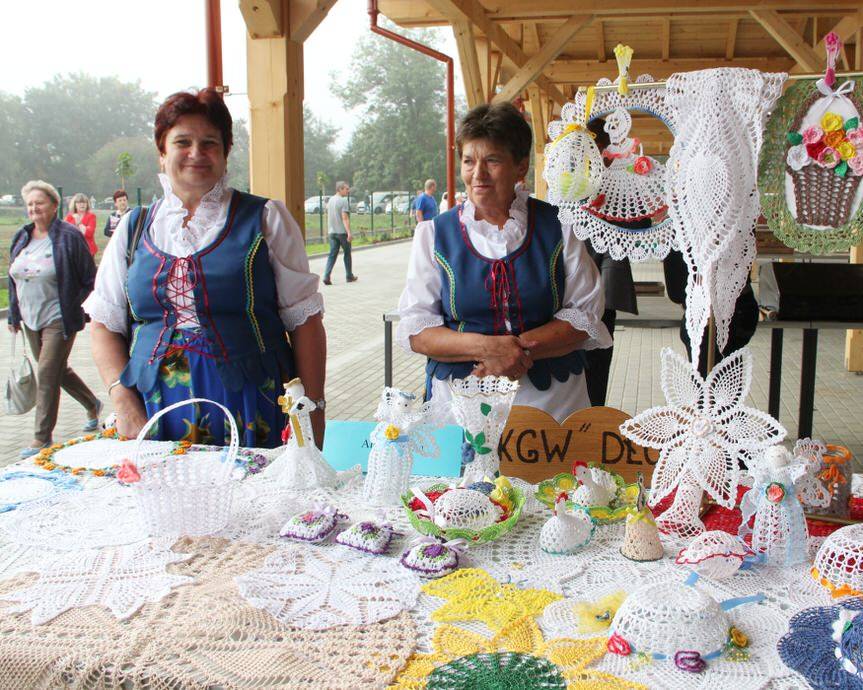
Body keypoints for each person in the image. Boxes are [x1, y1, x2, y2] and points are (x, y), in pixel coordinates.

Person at [84, 88, 327, 448]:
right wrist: (122, 400)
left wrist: (313, 408)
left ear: (226, 154)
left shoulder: (265, 219)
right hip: (154, 407)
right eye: (183, 141)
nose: (197, 153)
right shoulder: (133, 228)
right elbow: (105, 325)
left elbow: (305, 323)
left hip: (253, 402)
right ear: (162, 153)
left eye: (210, 143)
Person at [397, 102, 610, 421]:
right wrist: (486, 348)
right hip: (459, 407)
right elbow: (416, 328)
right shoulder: (434, 234)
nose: (477, 174)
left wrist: (516, 350)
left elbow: (586, 313)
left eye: (492, 160)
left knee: (555, 474)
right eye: (469, 161)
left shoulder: (559, 226)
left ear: (520, 166)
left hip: (550, 406)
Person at [8, 180, 102, 457]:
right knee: (57, 370)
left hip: (59, 317)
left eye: (40, 202)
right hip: (29, 318)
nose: (34, 208)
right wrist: (14, 314)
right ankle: (92, 404)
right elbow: (14, 280)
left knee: (47, 373)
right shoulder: (22, 236)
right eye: (30, 204)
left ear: (54, 205)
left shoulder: (68, 236)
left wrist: (76, 309)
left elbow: (89, 278)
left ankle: (41, 437)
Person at [582, 118, 641, 407]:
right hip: (571, 286)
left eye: (601, 149)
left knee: (599, 360)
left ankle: (591, 423)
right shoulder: (569, 181)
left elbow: (639, 226)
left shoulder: (623, 181)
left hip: (605, 283)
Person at [322, 181, 357, 285]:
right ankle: (349, 276)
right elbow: (345, 218)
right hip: (342, 232)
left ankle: (326, 276)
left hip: (332, 232)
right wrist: (349, 233)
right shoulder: (343, 201)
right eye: (346, 189)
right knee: (347, 254)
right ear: (340, 189)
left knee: (332, 255)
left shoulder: (330, 200)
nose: (348, 190)